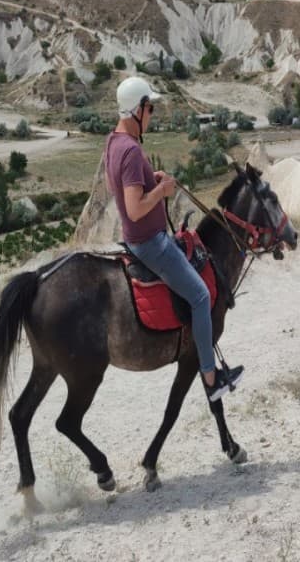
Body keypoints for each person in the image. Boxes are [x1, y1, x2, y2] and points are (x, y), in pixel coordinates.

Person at [105, 76, 243, 401]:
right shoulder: (129, 150)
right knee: (198, 296)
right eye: (150, 107)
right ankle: (211, 379)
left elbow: (129, 188)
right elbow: (135, 208)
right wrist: (161, 191)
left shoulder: (114, 141)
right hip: (149, 242)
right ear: (137, 109)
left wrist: (149, 179)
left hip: (142, 237)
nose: (152, 114)